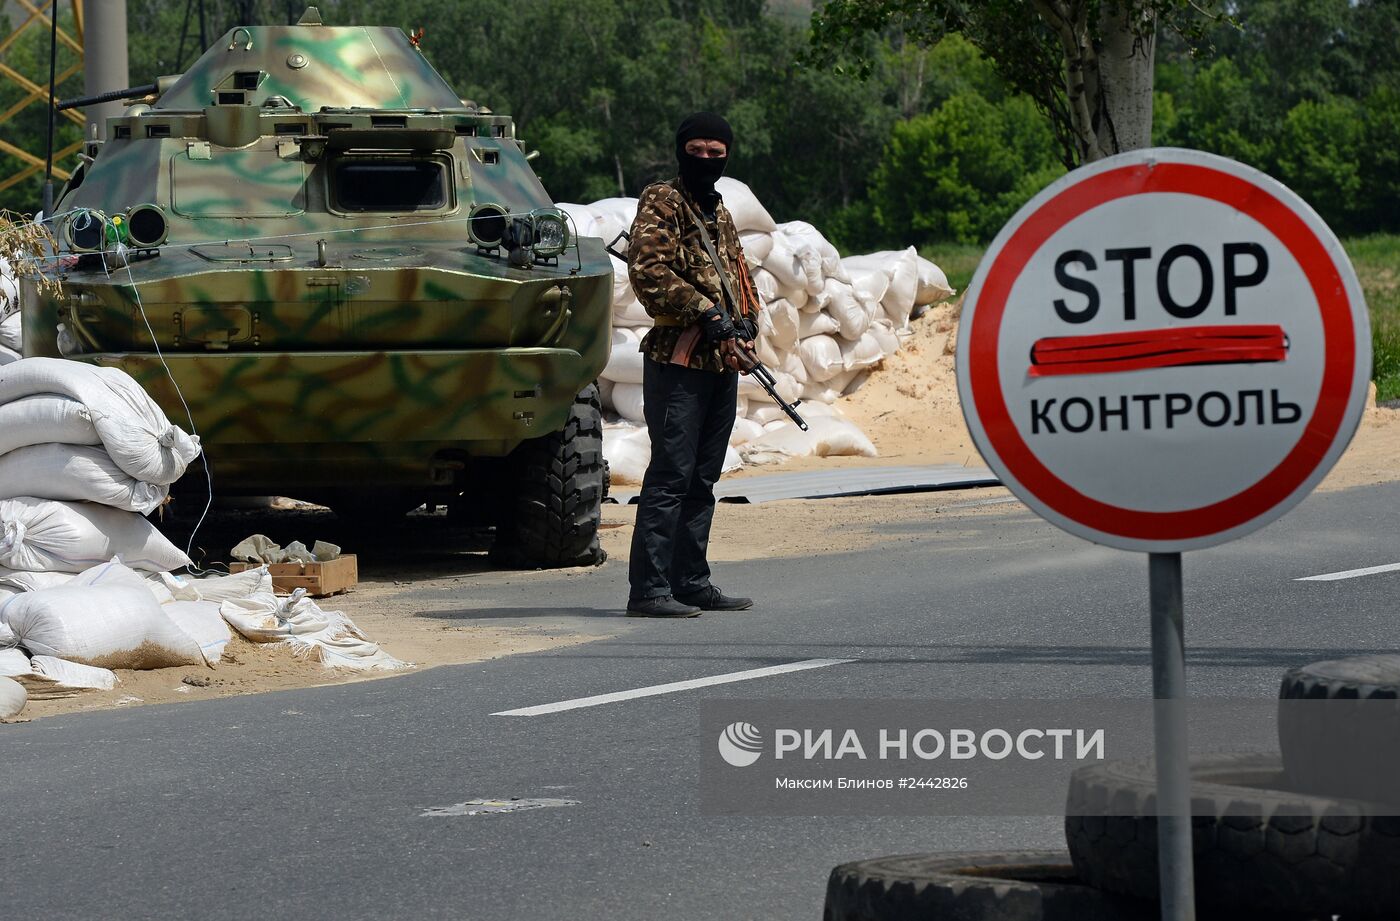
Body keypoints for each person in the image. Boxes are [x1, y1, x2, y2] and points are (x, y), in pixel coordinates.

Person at [624, 112, 758, 618]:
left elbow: (738, 276)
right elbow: (649, 271)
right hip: (677, 360)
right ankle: (649, 589)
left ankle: (691, 581)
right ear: (681, 152)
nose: (706, 159)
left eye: (715, 152)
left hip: (717, 362)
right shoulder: (664, 200)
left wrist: (744, 325)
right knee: (671, 474)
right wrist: (705, 312)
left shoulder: (718, 211)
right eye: (696, 150)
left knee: (703, 478)